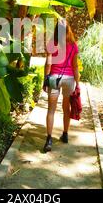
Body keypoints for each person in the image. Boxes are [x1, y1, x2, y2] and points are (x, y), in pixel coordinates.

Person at [42, 20, 80, 153]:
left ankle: (49, 139)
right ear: (68, 29)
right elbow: (75, 67)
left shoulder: (52, 44)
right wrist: (78, 84)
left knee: (51, 110)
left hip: (54, 78)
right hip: (69, 79)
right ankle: (65, 134)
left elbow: (48, 64)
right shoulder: (73, 46)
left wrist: (45, 79)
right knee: (66, 108)